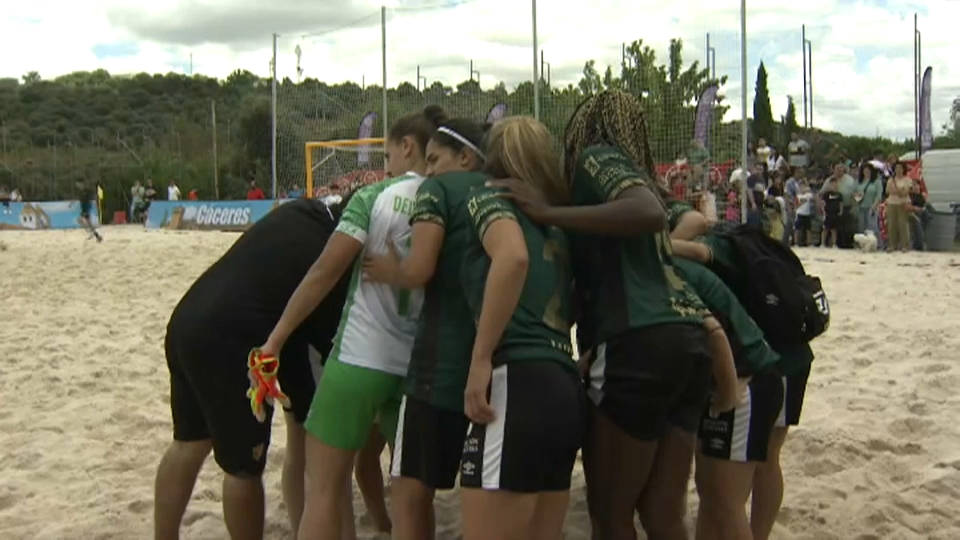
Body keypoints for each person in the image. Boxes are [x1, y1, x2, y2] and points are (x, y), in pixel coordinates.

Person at [491, 90, 716, 539]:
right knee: (662, 513)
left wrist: (549, 212)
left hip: (637, 340)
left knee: (611, 514)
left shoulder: (598, 156)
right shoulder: (625, 189)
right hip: (689, 337)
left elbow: (648, 212)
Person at [367, 116, 586, 539]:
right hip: (563, 382)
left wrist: (481, 357)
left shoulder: (487, 197)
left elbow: (513, 258)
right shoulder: (556, 223)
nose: (430, 170)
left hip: (514, 380)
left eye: (435, 160)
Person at [257, 105, 445, 540]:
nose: (386, 166)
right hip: (418, 367)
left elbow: (325, 272)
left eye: (387, 155)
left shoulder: (373, 197)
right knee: (414, 500)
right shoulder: (446, 202)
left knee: (323, 488)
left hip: (361, 355)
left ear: (407, 146)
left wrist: (276, 338)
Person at [154, 197, 380, 540]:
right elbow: (334, 343)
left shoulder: (300, 212)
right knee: (244, 467)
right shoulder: (331, 257)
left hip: (188, 320)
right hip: (232, 341)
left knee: (188, 444)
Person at [362, 116, 488, 540]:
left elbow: (419, 270)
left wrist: (390, 271)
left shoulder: (436, 190)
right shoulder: (502, 192)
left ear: (465, 157)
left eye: (434, 159)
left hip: (438, 369)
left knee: (410, 493)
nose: (428, 171)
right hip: (498, 367)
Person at [670, 233, 816, 540]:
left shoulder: (712, 246)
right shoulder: (740, 239)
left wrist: (653, 243)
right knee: (735, 480)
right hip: (782, 353)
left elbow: (700, 251)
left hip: (766, 363)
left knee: (731, 492)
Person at [884, 162, 913, 252]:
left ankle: (905, 245)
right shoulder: (891, 180)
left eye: (900, 168)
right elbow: (888, 191)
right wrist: (899, 190)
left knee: (903, 224)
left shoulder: (908, 180)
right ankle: (892, 245)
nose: (898, 170)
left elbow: (905, 192)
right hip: (892, 203)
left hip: (903, 203)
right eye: (896, 168)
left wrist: (899, 191)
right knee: (892, 224)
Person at [854, 163, 883, 235]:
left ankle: (876, 241)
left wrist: (873, 207)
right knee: (861, 228)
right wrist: (857, 195)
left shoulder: (876, 181)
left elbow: (878, 196)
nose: (866, 172)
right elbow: (854, 192)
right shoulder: (858, 181)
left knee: (872, 228)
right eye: (864, 171)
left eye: (868, 171)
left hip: (872, 207)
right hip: (860, 207)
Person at [820, 177, 842, 248]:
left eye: (835, 184)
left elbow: (840, 203)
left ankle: (834, 244)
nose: (834, 185)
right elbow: (823, 203)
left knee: (834, 229)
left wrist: (841, 211)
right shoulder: (826, 194)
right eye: (832, 184)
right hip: (827, 213)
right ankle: (822, 243)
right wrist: (823, 211)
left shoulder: (839, 194)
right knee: (825, 229)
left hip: (835, 214)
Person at [794, 181, 814, 247]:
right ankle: (796, 243)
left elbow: (813, 197)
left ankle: (809, 242)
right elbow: (795, 205)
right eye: (801, 187)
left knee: (808, 229)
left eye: (804, 186)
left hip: (807, 214)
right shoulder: (798, 196)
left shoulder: (808, 195)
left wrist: (808, 190)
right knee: (797, 229)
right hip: (799, 214)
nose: (803, 188)